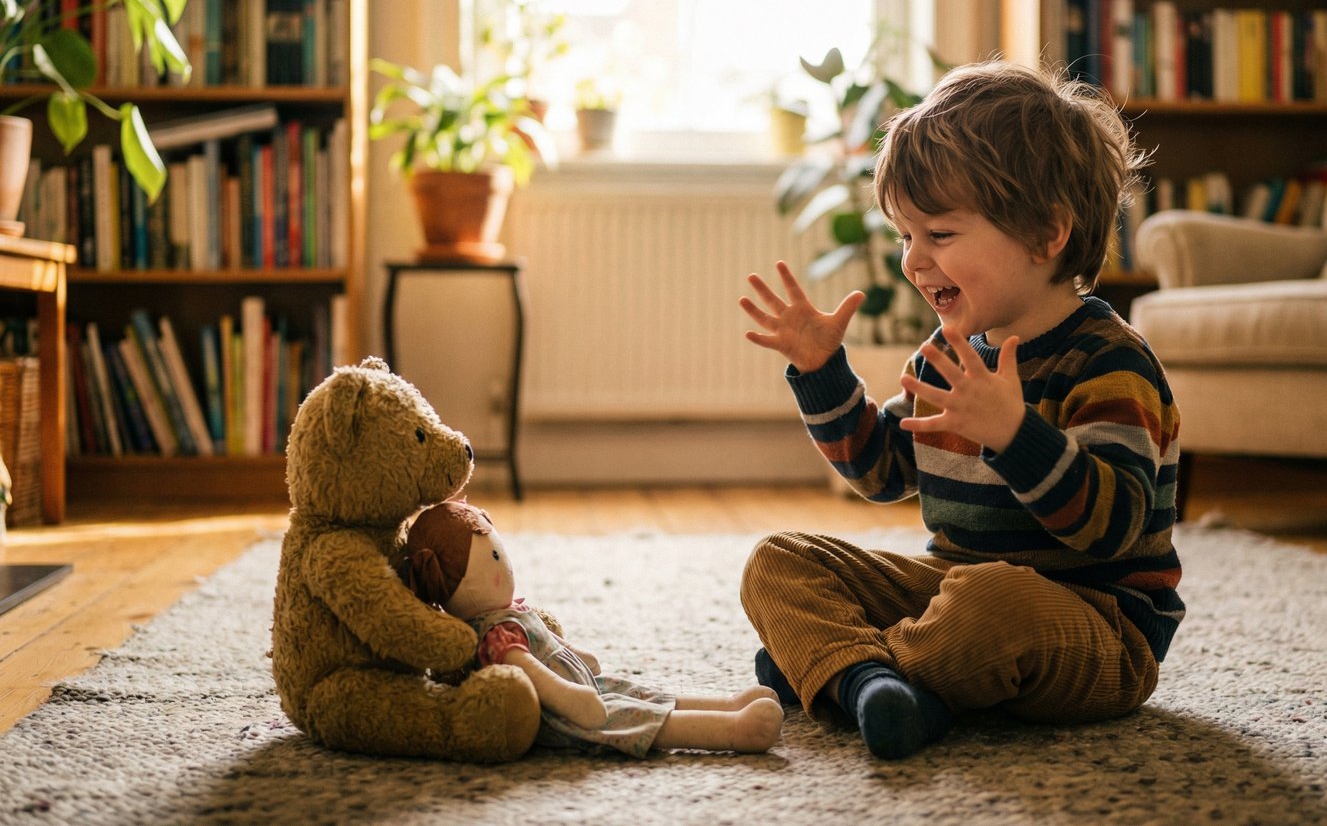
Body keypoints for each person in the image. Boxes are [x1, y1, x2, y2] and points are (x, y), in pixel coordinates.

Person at [736, 59, 1182, 761]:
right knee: (779, 561)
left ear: (1047, 234)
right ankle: (878, 683)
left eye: (940, 235)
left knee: (990, 602)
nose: (914, 260)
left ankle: (842, 668)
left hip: (1092, 625)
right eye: (906, 235)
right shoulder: (942, 355)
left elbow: (1113, 527)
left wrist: (1015, 434)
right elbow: (882, 470)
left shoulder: (1110, 363)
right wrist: (823, 375)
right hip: (952, 594)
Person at [400, 501, 784, 758]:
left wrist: (578, 658)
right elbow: (531, 672)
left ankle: (729, 703)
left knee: (640, 693)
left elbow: (544, 643)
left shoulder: (509, 613)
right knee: (636, 719)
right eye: (496, 558)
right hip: (567, 712)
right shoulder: (494, 635)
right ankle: (734, 731)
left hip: (583, 686)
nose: (506, 568)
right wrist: (574, 699)